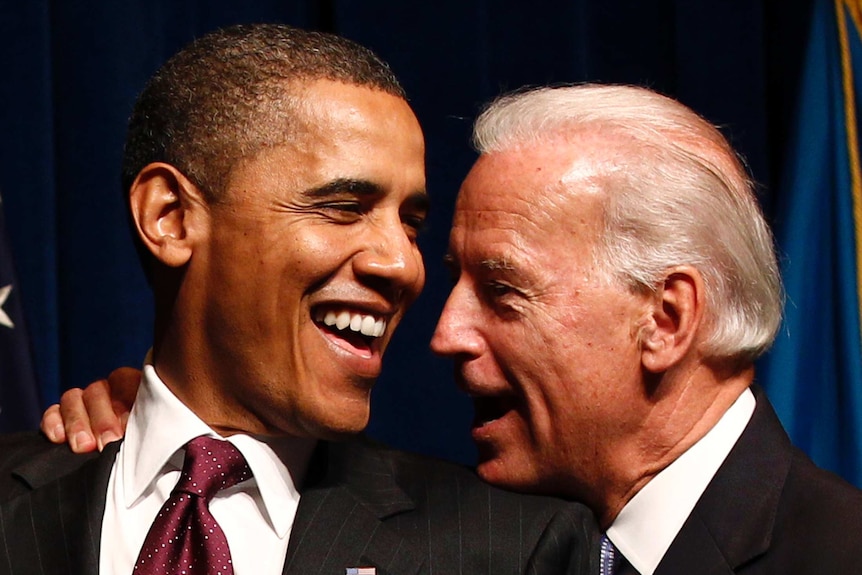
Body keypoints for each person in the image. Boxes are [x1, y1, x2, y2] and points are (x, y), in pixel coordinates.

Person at [53, 83, 862, 574]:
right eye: (454, 279)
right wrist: (170, 440)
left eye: (503, 292)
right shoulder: (506, 538)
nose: (442, 334)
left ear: (667, 319)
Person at [0, 25, 597, 575]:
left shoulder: (513, 547)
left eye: (411, 224)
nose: (402, 263)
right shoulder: (19, 493)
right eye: (344, 208)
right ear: (171, 218)